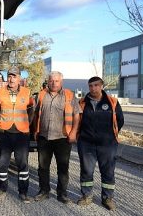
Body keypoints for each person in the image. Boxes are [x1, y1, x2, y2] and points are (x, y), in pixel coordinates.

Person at [76, 76, 124, 210]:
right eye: (90, 86)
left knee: (108, 171)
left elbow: (120, 120)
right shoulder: (82, 102)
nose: (93, 88)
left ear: (102, 86)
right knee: (86, 170)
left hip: (108, 144)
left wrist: (109, 135)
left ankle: (107, 198)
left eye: (96, 85)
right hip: (86, 143)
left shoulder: (112, 102)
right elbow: (77, 121)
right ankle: (86, 196)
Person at [33, 71, 80, 204]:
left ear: (61, 82)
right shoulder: (41, 95)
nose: (54, 83)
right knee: (43, 167)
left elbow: (77, 115)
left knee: (63, 168)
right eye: (51, 81)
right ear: (48, 81)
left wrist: (73, 132)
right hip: (44, 137)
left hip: (63, 138)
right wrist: (34, 131)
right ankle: (44, 191)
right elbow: (35, 114)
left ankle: (62, 194)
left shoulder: (70, 95)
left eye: (56, 81)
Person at [0, 66, 33, 203]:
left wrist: (27, 124)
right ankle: (1, 189)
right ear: (6, 78)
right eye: (9, 76)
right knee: (2, 163)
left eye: (14, 76)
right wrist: (1, 126)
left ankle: (23, 192)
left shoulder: (27, 93)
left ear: (19, 78)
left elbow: (32, 111)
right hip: (5, 133)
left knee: (23, 164)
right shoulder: (0, 93)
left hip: (22, 134)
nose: (11, 79)